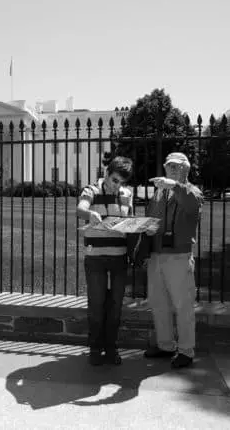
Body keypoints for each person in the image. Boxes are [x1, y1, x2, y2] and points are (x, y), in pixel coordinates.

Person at [143, 152, 203, 369]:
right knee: (158, 303)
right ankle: (165, 344)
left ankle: (186, 351)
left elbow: (191, 205)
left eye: (177, 167)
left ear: (186, 169)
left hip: (178, 256)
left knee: (183, 305)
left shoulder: (191, 191)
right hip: (157, 255)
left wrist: (174, 186)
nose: (173, 170)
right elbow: (152, 217)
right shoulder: (159, 193)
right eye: (169, 167)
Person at [77, 155, 134, 366]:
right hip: (96, 258)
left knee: (115, 305)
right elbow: (80, 209)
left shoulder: (126, 194)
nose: (117, 186)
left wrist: (134, 223)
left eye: (122, 182)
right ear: (106, 174)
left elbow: (129, 222)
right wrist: (90, 213)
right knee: (97, 303)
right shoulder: (91, 190)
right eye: (114, 180)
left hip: (119, 257)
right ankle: (95, 347)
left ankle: (111, 347)